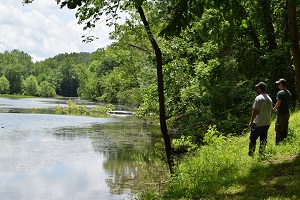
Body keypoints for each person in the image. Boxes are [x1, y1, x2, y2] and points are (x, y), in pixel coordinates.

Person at [248, 82, 273, 156]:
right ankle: (261, 154)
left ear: (259, 89)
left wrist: (251, 122)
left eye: (257, 88)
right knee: (263, 140)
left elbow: (255, 111)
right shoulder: (269, 98)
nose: (257, 89)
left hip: (258, 124)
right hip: (267, 123)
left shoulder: (258, 98)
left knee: (252, 139)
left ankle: (251, 155)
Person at [273, 78, 291, 145]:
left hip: (281, 114)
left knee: (279, 128)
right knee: (285, 128)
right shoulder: (288, 92)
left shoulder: (280, 93)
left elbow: (279, 102)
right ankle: (284, 141)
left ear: (281, 84)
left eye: (278, 84)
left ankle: (278, 143)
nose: (278, 85)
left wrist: (274, 108)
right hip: (287, 113)